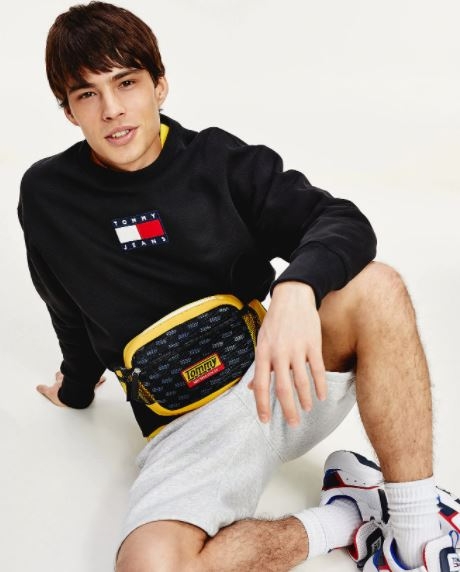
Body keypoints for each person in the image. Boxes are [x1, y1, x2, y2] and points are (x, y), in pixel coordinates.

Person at [18, 2, 459, 571]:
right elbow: (62, 298)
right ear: (68, 111)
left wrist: (297, 287)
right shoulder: (48, 195)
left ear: (159, 85)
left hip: (279, 379)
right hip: (184, 430)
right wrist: (76, 387)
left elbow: (341, 220)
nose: (112, 109)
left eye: (126, 83)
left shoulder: (217, 160)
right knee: (150, 567)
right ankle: (347, 517)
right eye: (87, 94)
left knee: (376, 285)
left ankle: (417, 534)